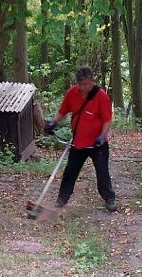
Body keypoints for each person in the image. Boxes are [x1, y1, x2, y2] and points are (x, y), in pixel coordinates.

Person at [45, 66, 116, 212]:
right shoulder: (72, 93)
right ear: (77, 83)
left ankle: (109, 199)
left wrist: (101, 136)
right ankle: (62, 198)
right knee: (70, 171)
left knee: (102, 172)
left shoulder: (101, 96)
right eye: (81, 84)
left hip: (98, 145)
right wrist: (53, 123)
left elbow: (107, 120)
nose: (83, 87)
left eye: (86, 84)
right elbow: (62, 110)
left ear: (92, 82)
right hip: (78, 143)